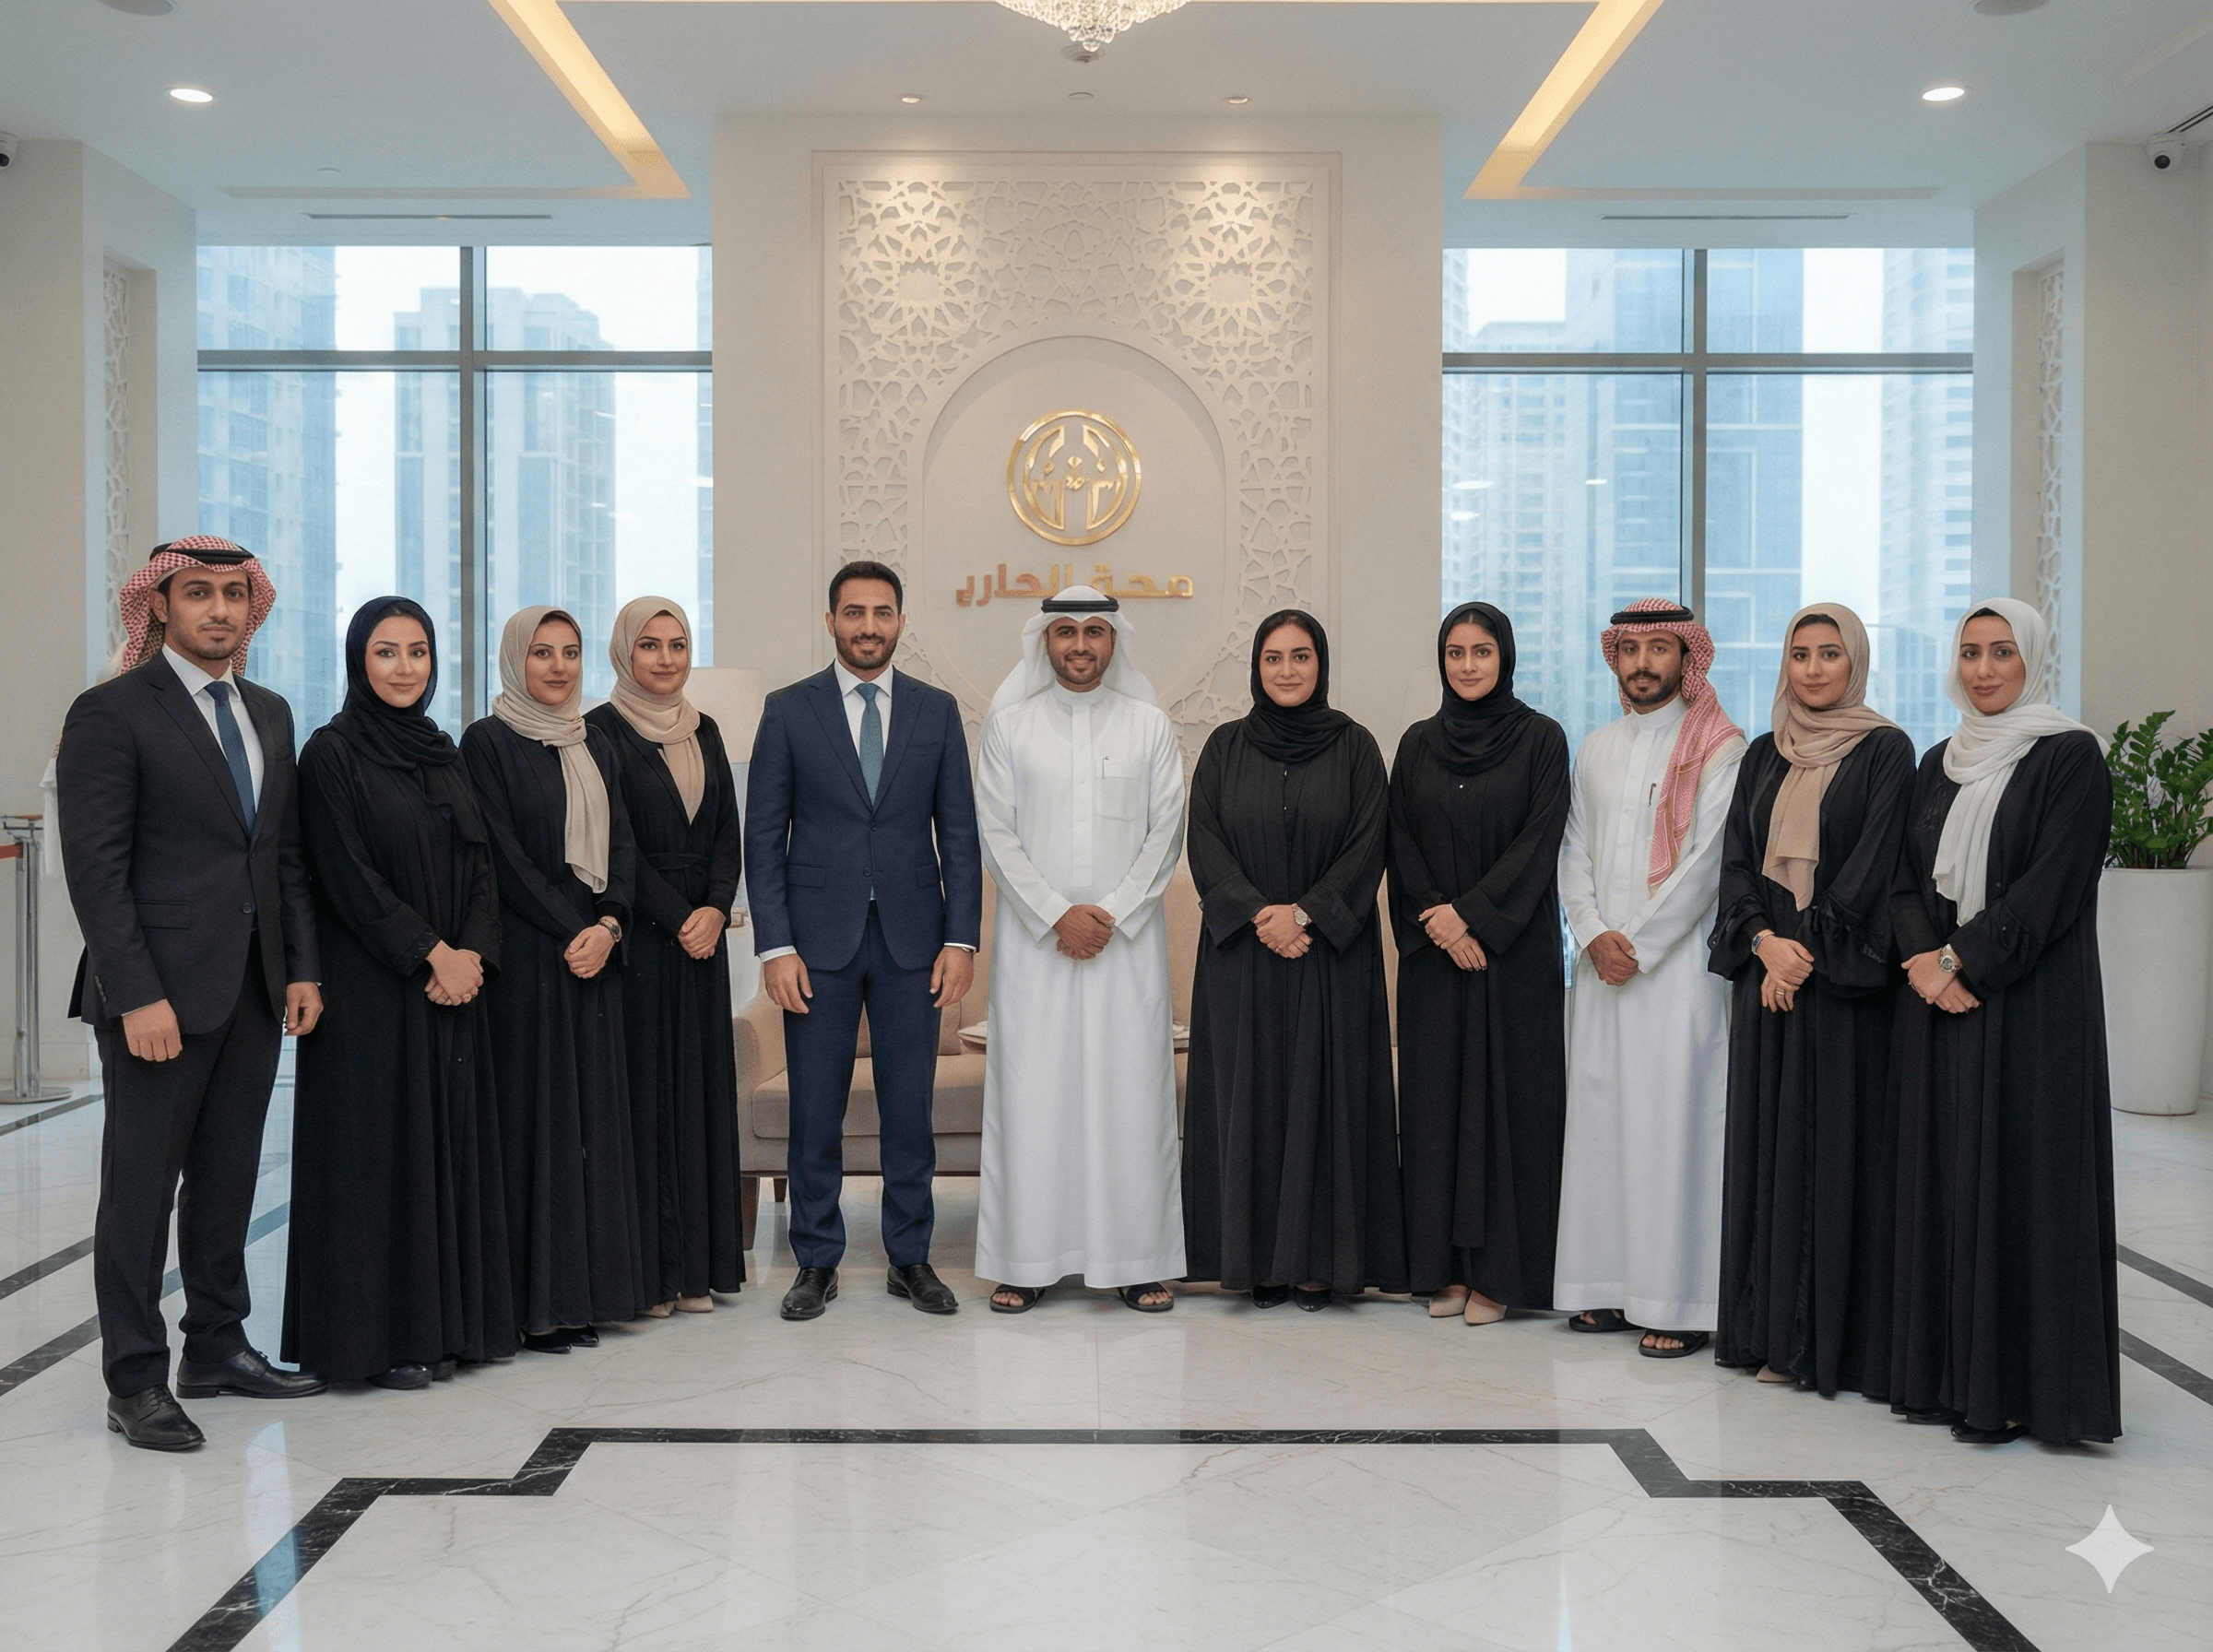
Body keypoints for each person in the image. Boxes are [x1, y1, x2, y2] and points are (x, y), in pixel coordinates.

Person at [58, 537, 326, 1452]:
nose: (219, 608)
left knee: (228, 1179)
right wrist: (137, 994)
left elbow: (282, 855)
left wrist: (299, 968)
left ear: (253, 608)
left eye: (234, 594)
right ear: (161, 605)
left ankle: (215, 1346)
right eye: (199, 592)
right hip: (156, 998)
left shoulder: (270, 712)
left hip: (251, 988)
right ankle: (134, 1378)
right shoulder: (110, 712)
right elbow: (96, 872)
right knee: (139, 1193)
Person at [1884, 598, 2119, 1446]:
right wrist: (1924, 958)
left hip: (2031, 1009)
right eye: (1971, 652)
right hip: (1939, 1008)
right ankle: (1945, 1378)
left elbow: (2054, 885)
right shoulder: (1939, 761)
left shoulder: (2071, 756)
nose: (1983, 669)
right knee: (1945, 1183)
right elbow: (1904, 879)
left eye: (2002, 652)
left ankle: (2024, 1388)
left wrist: (1958, 962)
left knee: (2026, 1186)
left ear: (2034, 659)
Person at [287, 597, 515, 1388]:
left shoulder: (443, 752)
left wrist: (472, 955)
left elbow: (482, 866)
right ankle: (373, 1343)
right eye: (386, 652)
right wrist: (430, 954)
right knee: (375, 1163)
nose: (405, 667)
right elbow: (346, 878)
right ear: (359, 660)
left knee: (442, 1153)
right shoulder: (331, 753)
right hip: (372, 993)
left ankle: (445, 1330)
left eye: (418, 651)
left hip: (453, 990)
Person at [745, 560, 981, 1321]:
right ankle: (816, 1261)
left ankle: (910, 1259)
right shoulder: (789, 710)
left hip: (915, 942)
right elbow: (762, 838)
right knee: (816, 1110)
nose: (869, 626)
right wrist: (776, 948)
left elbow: (961, 836)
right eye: (854, 612)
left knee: (909, 1110)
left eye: (882, 612)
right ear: (831, 621)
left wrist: (961, 940)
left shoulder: (936, 711)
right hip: (817, 947)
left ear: (901, 622)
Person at [1709, 605, 1914, 1396]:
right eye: (1801, 654)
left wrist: (1803, 954)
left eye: (1831, 653)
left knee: (1834, 1159)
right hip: (1769, 980)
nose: (1815, 668)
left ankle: (1830, 1345)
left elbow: (1874, 868)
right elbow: (1736, 861)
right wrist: (1764, 943)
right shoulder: (1764, 753)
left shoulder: (1886, 749)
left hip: (1840, 991)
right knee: (1767, 1154)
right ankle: (1769, 1333)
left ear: (1855, 662)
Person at [974, 588, 1189, 1314]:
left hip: (1126, 951)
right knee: (1033, 1102)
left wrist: (1110, 915)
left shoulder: (1150, 727)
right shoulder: (1009, 727)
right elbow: (996, 835)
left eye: (1095, 631)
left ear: (1113, 641)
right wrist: (1057, 915)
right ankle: (1026, 1261)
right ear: (1045, 640)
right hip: (1036, 950)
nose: (1080, 645)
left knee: (1130, 1101)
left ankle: (1137, 1261)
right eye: (1066, 631)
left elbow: (1166, 834)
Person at [1182, 610, 1402, 1310]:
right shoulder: (1224, 747)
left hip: (1329, 955)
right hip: (1243, 958)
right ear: (1256, 667)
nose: (1287, 670)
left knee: (1328, 1102)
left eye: (1300, 656)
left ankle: (1320, 1265)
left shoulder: (1356, 747)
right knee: (1249, 1105)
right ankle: (1256, 1264)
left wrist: (1303, 913)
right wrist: (1260, 915)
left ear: (1320, 664)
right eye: (1273, 657)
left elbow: (1369, 843)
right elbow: (1204, 840)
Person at [1553, 598, 1746, 1359]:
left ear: (1686, 657)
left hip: (1678, 976)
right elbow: (1573, 850)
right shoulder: (1597, 747)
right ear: (1616, 658)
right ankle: (1604, 1286)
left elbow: (1709, 863)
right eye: (1631, 650)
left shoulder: (1720, 749)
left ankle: (1679, 1301)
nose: (1643, 663)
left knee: (1673, 1131)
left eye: (1660, 648)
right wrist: (1591, 931)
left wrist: (1635, 943)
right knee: (1603, 1127)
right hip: (1601, 971)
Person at [463, 607, 645, 1351]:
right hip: (531, 962)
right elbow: (500, 858)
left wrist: (610, 924)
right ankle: (532, 1307)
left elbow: (624, 845)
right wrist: (575, 930)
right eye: (542, 653)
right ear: (516, 659)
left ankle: (586, 1295)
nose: (559, 667)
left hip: (596, 958)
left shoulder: (593, 740)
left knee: (591, 1127)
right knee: (534, 1128)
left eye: (570, 653)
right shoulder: (486, 742)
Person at [1389, 603, 1572, 1327]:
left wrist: (1473, 916)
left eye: (1482, 652)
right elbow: (1400, 841)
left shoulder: (1541, 740)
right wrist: (1438, 917)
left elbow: (1539, 841)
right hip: (1435, 961)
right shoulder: (1417, 744)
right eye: (1456, 652)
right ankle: (1442, 1268)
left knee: (1511, 1111)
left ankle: (1502, 1276)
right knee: (1436, 1112)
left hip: (1512, 958)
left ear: (1506, 658)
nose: (1467, 665)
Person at [587, 596, 746, 1317]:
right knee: (647, 1103)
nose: (665, 658)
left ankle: (698, 1273)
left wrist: (715, 906)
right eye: (649, 644)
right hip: (640, 938)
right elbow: (614, 842)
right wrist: (681, 917)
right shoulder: (598, 732)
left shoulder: (704, 729)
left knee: (700, 1100)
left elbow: (726, 832)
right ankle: (651, 1277)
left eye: (677, 644)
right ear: (625, 653)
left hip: (701, 943)